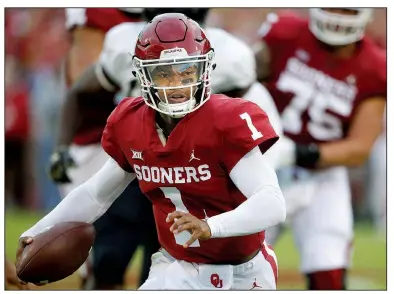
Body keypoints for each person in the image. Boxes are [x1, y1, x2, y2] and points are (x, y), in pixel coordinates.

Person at [17, 13, 286, 290]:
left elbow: (272, 203)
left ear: (204, 70)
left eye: (187, 71)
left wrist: (210, 226)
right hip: (179, 268)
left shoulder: (227, 121)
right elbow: (94, 194)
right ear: (143, 74)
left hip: (247, 272)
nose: (177, 83)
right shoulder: (131, 123)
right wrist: (35, 234)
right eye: (164, 73)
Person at [254, 8, 386, 289]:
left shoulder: (375, 68)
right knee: (239, 266)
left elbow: (360, 147)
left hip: (322, 176)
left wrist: (298, 153)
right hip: (260, 169)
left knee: (329, 274)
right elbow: (244, 86)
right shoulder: (285, 33)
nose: (337, 15)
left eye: (346, 8)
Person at [48, 8, 156, 290]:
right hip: (107, 150)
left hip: (159, 161)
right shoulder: (111, 24)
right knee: (103, 262)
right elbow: (80, 80)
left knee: (161, 266)